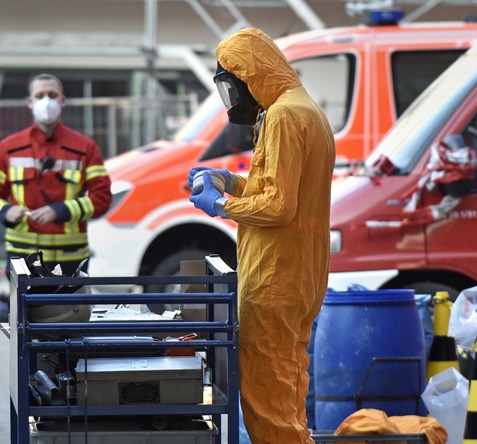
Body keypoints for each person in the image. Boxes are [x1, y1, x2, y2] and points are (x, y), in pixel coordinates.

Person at [188, 28, 335, 443]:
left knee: (267, 397)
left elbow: (277, 207)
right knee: (288, 388)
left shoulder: (285, 116)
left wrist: (219, 206)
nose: (233, 99)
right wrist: (227, 181)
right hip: (299, 274)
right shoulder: (303, 109)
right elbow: (277, 187)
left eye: (232, 86)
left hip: (276, 276)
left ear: (250, 76)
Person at [0, 73, 112, 276]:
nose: (47, 101)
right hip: (22, 258)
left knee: (69, 309)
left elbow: (102, 199)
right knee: (23, 309)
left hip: (71, 259)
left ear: (62, 100)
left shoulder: (85, 147)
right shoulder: (10, 147)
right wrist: (5, 211)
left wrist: (61, 211)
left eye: (52, 95)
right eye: (40, 95)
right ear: (30, 102)